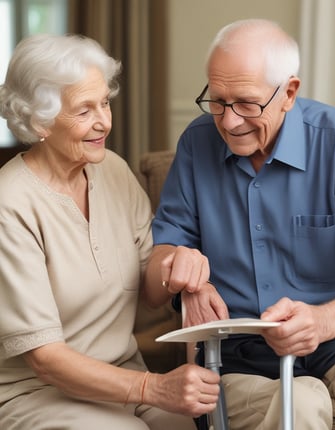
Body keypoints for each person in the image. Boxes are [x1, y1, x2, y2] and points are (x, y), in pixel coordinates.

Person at [144, 18, 335, 430]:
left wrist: (322, 322)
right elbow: (165, 250)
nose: (229, 121)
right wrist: (183, 274)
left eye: (247, 104)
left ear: (288, 93)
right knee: (300, 405)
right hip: (242, 355)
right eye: (217, 101)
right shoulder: (197, 145)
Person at [0, 33, 220, 430]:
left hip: (122, 376)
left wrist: (179, 266)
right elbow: (45, 359)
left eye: (104, 102)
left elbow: (152, 293)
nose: (104, 121)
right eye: (84, 110)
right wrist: (152, 389)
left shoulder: (113, 170)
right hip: (37, 392)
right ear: (39, 121)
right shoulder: (10, 203)